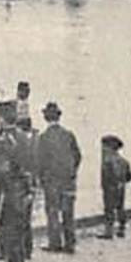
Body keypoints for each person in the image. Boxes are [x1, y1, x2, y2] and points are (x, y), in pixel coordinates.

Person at [34, 102, 81, 253]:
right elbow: (78, 156)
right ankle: (70, 243)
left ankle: (55, 243)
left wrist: (41, 179)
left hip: (52, 181)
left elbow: (40, 161)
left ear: (45, 118)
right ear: (59, 117)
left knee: (53, 212)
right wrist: (72, 172)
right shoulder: (69, 134)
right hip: (68, 180)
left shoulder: (43, 137)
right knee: (68, 212)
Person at [99, 135, 131, 239]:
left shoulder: (107, 161)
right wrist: (121, 182)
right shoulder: (124, 161)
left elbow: (106, 176)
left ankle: (108, 232)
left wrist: (105, 185)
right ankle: (121, 229)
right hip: (121, 187)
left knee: (109, 209)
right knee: (120, 208)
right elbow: (129, 177)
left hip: (110, 188)